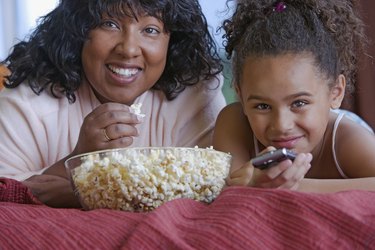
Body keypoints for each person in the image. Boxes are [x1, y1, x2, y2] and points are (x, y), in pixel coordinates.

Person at [0, 0, 226, 207]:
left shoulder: (198, 93)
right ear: (79, 30)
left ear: (173, 40)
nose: (128, 49)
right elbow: (6, 195)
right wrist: (77, 160)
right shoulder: (26, 100)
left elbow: (211, 190)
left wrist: (77, 190)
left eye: (150, 30)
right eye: (109, 24)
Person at [213, 0, 375, 192]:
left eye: (299, 103)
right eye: (262, 106)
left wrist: (293, 186)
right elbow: (229, 191)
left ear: (336, 93)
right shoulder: (234, 122)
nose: (282, 125)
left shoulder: (348, 139)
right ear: (240, 94)